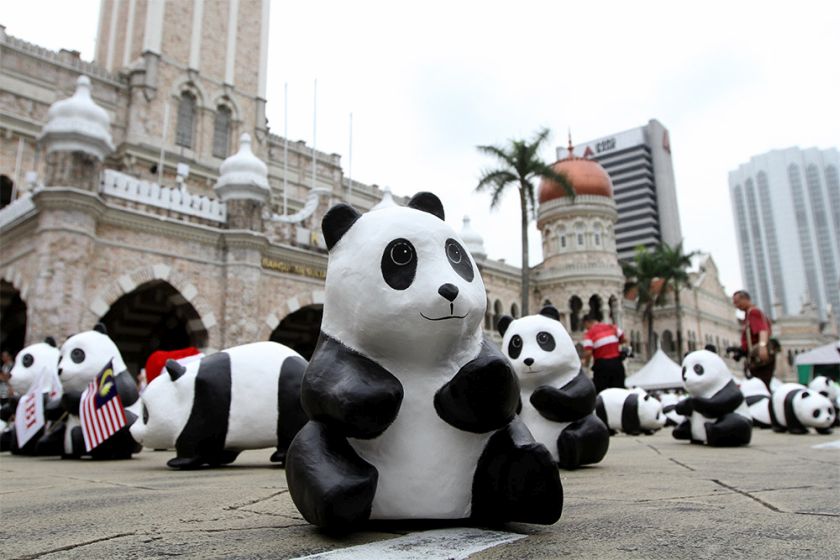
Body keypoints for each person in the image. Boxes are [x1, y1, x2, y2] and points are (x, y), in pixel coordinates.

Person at [732, 290, 775, 390]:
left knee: (761, 386)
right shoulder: (747, 315)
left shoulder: (753, 312)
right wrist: (740, 351)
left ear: (745, 299)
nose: (736, 306)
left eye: (737, 302)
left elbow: (763, 330)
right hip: (753, 355)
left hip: (759, 357)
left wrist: (762, 346)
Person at [581, 315, 627, 393]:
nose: (586, 328)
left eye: (585, 326)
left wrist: (586, 364)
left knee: (601, 392)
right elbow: (624, 339)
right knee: (620, 391)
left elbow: (588, 352)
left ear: (587, 323)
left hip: (602, 366)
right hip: (617, 364)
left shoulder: (589, 333)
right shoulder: (612, 327)